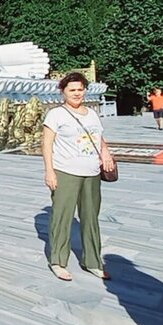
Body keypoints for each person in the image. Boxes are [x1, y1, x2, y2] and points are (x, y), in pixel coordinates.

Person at [42, 72, 116, 281]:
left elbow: (99, 137)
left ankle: (92, 261)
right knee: (62, 217)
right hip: (65, 171)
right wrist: (49, 171)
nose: (77, 93)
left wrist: (106, 153)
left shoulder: (91, 114)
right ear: (63, 92)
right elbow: (47, 143)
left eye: (80, 89)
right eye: (72, 90)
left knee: (91, 217)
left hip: (91, 172)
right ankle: (58, 260)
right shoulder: (56, 114)